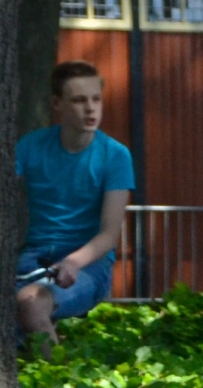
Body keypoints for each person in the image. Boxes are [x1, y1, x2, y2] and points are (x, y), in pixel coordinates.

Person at [15, 60, 134, 351]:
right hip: (31, 258)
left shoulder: (115, 156)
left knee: (30, 304)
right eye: (79, 100)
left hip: (88, 266)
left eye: (96, 99)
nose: (91, 109)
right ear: (57, 104)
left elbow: (109, 233)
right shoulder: (31, 146)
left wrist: (74, 262)